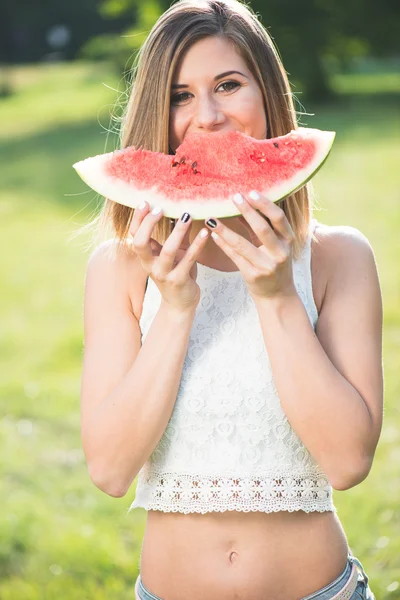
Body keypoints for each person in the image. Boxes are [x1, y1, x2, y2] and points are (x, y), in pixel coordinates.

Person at [80, 1, 383, 598]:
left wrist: (275, 299)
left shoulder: (338, 259)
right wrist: (176, 308)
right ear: (154, 114)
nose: (209, 117)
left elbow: (348, 463)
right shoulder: (120, 270)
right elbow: (110, 470)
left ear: (268, 94)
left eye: (228, 84)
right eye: (179, 95)